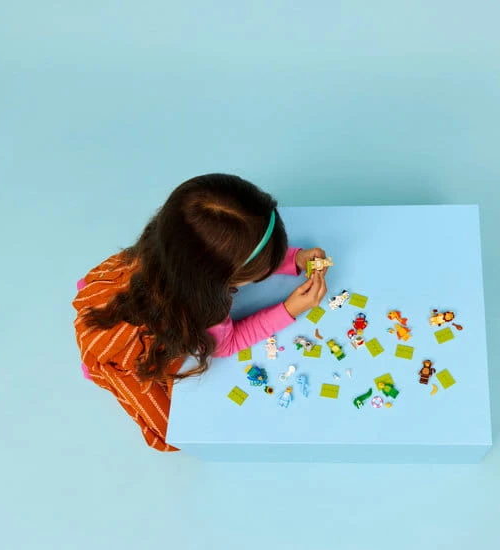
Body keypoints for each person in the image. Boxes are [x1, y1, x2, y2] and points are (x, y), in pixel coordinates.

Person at [72, 174, 328, 452]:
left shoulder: (174, 241)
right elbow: (227, 344)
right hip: (128, 349)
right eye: (255, 271)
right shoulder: (203, 309)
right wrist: (290, 309)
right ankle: (99, 368)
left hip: (121, 291)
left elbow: (232, 254)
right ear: (215, 280)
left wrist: (293, 259)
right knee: (177, 431)